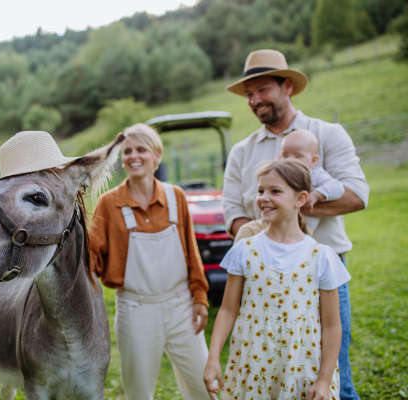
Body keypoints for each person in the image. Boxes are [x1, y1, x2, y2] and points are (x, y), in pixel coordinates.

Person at [222, 49, 369, 400]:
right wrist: (263, 240)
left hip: (322, 272)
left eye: (262, 90)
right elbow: (232, 211)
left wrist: (300, 214)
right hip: (262, 278)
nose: (255, 100)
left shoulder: (326, 134)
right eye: (249, 94)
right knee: (269, 369)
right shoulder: (242, 152)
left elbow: (357, 195)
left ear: (287, 85)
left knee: (332, 373)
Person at [204, 159, 349, 400]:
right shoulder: (244, 250)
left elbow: (332, 325)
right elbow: (228, 310)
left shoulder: (321, 256)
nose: (263, 197)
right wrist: (212, 359)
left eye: (275, 191)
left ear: (300, 199)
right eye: (261, 190)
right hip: (252, 368)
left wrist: (323, 380)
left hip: (304, 370)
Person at [90, 123, 210, 400]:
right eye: (127, 151)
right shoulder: (109, 204)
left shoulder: (175, 197)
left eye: (141, 150)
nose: (133, 156)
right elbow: (91, 258)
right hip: (136, 310)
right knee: (139, 392)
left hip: (181, 305)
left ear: (157, 155)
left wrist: (200, 296)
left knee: (203, 387)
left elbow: (191, 252)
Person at [234, 129, 345, 243]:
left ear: (313, 160)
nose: (290, 160)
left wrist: (317, 195)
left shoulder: (316, 174)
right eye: (285, 155)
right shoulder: (279, 174)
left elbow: (337, 187)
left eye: (297, 156)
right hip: (275, 225)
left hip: (304, 229)